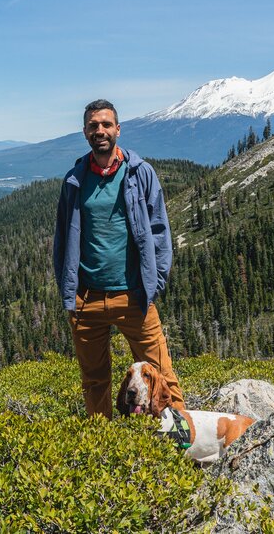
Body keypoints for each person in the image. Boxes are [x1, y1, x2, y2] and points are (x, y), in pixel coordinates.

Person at [53, 99, 185, 418]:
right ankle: (105, 452)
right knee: (95, 383)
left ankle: (182, 444)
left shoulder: (140, 174)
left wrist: (155, 282)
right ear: (85, 132)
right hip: (88, 300)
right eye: (93, 126)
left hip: (135, 297)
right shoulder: (75, 180)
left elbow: (159, 231)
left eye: (106, 125)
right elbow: (62, 240)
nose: (100, 131)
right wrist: (69, 292)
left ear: (117, 130)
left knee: (163, 377)